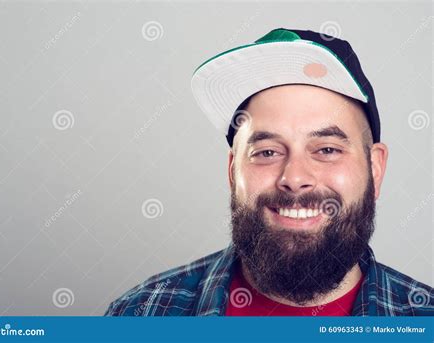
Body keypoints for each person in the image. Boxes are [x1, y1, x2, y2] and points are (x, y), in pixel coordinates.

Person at [105, 28, 433, 316]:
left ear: (375, 168)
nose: (294, 177)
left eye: (327, 150)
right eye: (267, 152)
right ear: (234, 171)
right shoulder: (142, 314)